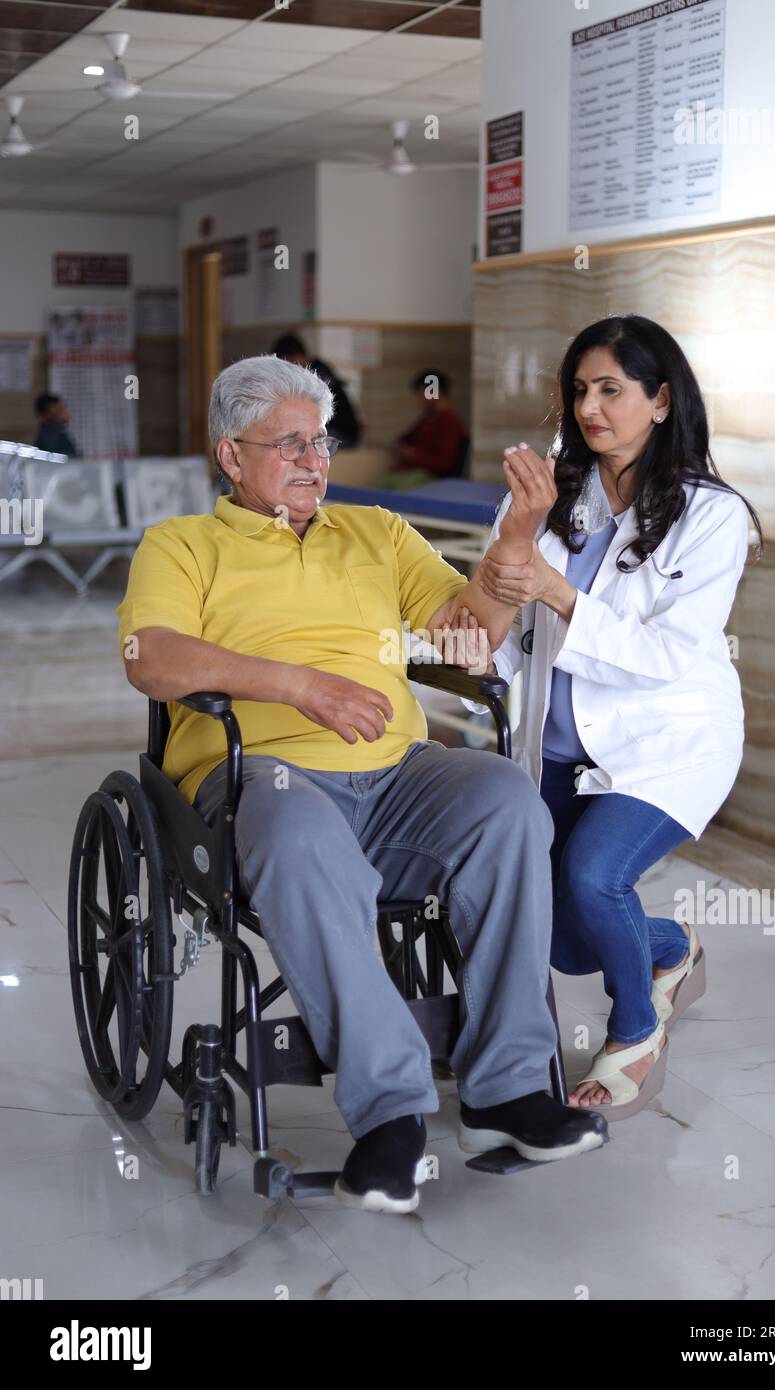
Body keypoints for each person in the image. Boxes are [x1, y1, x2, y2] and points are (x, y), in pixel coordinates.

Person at [117, 354, 606, 1215]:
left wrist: (518, 538)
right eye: (291, 444)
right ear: (231, 456)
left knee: (506, 803)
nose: (315, 461)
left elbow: (467, 637)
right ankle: (390, 1113)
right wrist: (300, 686)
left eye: (324, 442)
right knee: (298, 829)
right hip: (257, 775)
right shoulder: (182, 546)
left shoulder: (375, 533)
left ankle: (505, 1092)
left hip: (395, 776)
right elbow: (151, 657)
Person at [474, 314, 762, 1121]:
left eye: (611, 389)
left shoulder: (711, 517)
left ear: (661, 400)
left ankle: (637, 1032)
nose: (590, 407)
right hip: (557, 746)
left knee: (595, 877)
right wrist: (492, 604)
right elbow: (499, 610)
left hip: (667, 743)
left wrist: (557, 592)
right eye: (579, 390)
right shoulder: (545, 495)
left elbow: (665, 653)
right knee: (566, 937)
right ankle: (672, 948)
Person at [271, 333, 362, 447]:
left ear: (297, 356)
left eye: (288, 362)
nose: (287, 369)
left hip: (342, 435)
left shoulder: (318, 373)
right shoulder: (312, 370)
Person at [387, 369, 467, 485]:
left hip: (427, 477)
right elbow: (403, 439)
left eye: (420, 394)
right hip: (409, 472)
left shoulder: (450, 421)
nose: (418, 399)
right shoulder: (428, 418)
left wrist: (413, 454)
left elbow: (444, 463)